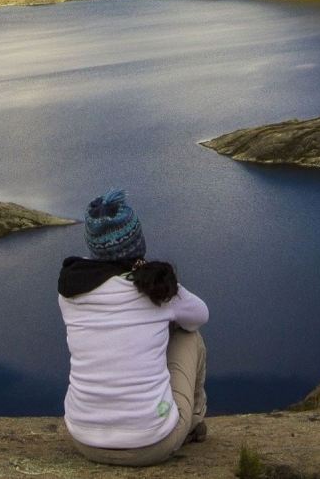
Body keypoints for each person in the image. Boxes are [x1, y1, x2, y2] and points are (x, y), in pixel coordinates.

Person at [57, 188, 209, 466]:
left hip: (84, 439)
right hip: (153, 443)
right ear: (137, 241)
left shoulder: (70, 290)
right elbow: (200, 315)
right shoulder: (156, 288)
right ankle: (193, 421)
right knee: (189, 337)